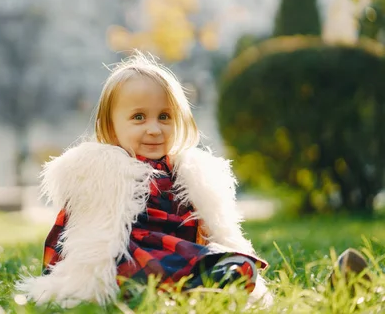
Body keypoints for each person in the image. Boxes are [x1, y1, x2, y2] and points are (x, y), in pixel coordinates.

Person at [16, 51, 273, 307]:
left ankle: (193, 284)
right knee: (124, 269)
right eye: (138, 117)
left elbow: (208, 226)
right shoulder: (102, 171)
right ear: (110, 127)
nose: (154, 129)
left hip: (181, 253)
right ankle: (153, 288)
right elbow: (77, 233)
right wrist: (63, 274)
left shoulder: (186, 173)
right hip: (131, 253)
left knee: (239, 265)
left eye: (164, 117)